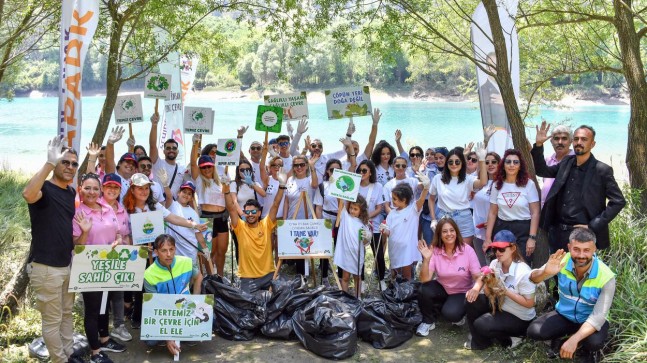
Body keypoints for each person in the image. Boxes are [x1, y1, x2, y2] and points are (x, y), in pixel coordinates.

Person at [23, 136, 81, 363]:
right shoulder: (44, 188)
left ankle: (68, 354)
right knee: (52, 320)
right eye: (64, 162)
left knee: (67, 315)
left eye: (74, 164)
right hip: (45, 268)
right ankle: (60, 360)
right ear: (56, 163)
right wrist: (48, 162)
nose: (70, 167)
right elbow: (28, 194)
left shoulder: (70, 193)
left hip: (66, 264)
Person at [123, 173, 207, 328]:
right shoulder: (125, 209)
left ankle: (156, 320)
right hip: (135, 255)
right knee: (138, 287)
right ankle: (138, 319)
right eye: (140, 188)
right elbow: (123, 233)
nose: (144, 191)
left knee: (153, 285)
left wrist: (194, 225)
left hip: (154, 255)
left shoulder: (154, 206)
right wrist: (136, 245)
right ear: (132, 189)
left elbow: (173, 218)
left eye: (146, 188)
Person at [531, 122, 626, 251]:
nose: (579, 142)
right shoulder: (566, 162)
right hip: (557, 233)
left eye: (584, 139)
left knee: (581, 271)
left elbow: (618, 201)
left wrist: (594, 225)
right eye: (576, 139)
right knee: (557, 270)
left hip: (583, 236)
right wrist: (538, 146)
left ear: (592, 144)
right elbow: (543, 171)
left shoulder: (602, 170)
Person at [526, 228, 615, 363]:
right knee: (534, 331)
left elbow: (598, 317)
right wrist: (545, 272)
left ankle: (584, 348)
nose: (581, 255)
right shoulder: (562, 260)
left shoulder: (606, 276)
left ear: (594, 249)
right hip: (565, 315)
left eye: (586, 250)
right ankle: (562, 338)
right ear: (569, 247)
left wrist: (575, 339)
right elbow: (533, 279)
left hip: (590, 319)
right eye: (576, 249)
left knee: (594, 342)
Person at [73, 173, 127, 363]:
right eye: (87, 188)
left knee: (106, 304)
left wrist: (118, 240)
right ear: (81, 189)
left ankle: (104, 339)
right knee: (93, 309)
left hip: (109, 267)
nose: (92, 192)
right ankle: (95, 352)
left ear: (100, 190)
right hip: (89, 268)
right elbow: (76, 247)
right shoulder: (79, 213)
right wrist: (85, 231)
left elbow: (118, 233)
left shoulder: (107, 208)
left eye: (95, 188)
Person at [464, 230, 536, 350]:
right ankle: (480, 342)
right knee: (471, 299)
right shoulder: (495, 263)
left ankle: (515, 336)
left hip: (520, 317)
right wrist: (476, 288)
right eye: (495, 249)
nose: (497, 252)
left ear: (513, 248)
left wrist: (505, 291)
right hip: (501, 307)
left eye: (502, 249)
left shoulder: (523, 272)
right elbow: (484, 276)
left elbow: (530, 304)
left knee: (481, 325)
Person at [223, 169, 286, 293]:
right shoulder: (240, 227)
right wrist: (226, 188)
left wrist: (282, 186)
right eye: (247, 212)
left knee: (281, 298)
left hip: (269, 275)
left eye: (253, 212)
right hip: (248, 278)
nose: (250, 215)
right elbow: (231, 208)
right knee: (248, 305)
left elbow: (276, 204)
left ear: (259, 213)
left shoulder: (266, 224)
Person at [415, 218, 481, 337]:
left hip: (461, 291)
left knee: (451, 315)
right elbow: (425, 279)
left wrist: (475, 289)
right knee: (423, 289)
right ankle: (428, 321)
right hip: (443, 287)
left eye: (452, 230)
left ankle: (457, 311)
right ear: (439, 234)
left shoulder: (467, 250)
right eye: (444, 231)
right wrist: (426, 259)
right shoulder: (435, 250)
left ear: (456, 232)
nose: (449, 234)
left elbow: (477, 276)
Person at [143, 234, 203, 358]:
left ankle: (184, 333)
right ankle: (177, 336)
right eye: (164, 250)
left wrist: (195, 300)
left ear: (175, 249)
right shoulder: (149, 274)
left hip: (185, 307)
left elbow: (198, 277)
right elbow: (154, 306)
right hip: (163, 312)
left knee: (209, 321)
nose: (168, 254)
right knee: (150, 341)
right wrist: (167, 337)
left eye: (171, 249)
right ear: (156, 252)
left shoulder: (186, 262)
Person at [484, 149, 540, 263]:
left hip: (523, 228)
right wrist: (488, 238)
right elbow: (492, 213)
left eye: (515, 162)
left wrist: (532, 238)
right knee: (502, 263)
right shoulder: (496, 185)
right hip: (502, 227)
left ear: (520, 166)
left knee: (523, 263)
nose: (511, 165)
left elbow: (535, 213)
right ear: (503, 165)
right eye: (508, 162)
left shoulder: (529, 184)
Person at [429, 145, 488, 246]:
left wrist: (482, 159)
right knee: (446, 252)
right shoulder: (438, 178)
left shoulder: (467, 179)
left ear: (462, 163)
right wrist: (433, 219)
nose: (454, 164)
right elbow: (431, 199)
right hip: (444, 218)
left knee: (464, 251)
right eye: (450, 162)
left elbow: (483, 182)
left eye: (457, 161)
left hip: (464, 218)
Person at [99, 173, 133, 344]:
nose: (112, 190)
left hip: (119, 259)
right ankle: (100, 329)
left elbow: (126, 235)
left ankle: (118, 326)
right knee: (100, 297)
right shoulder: (96, 206)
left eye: (115, 187)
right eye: (109, 186)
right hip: (99, 260)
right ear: (102, 188)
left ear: (120, 190)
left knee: (117, 293)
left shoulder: (122, 210)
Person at [379, 172, 430, 281]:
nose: (392, 201)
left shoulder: (413, 210)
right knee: (395, 272)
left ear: (404, 200)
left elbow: (421, 200)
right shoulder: (392, 213)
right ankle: (395, 291)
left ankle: (408, 294)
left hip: (407, 249)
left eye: (395, 199)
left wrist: (426, 188)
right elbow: (389, 231)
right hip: (394, 247)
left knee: (407, 273)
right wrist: (384, 230)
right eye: (392, 198)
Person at [190, 136, 228, 276]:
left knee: (221, 250)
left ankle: (220, 276)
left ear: (213, 166)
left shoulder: (220, 179)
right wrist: (194, 144)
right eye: (203, 167)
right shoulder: (199, 179)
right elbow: (193, 163)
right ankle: (210, 276)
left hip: (222, 217)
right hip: (207, 217)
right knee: (208, 252)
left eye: (209, 167)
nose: (206, 169)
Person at [283, 154, 319, 275]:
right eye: (296, 165)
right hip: (292, 220)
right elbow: (287, 201)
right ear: (293, 167)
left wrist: (312, 166)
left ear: (306, 166)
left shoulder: (310, 179)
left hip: (307, 222)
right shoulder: (289, 180)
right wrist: (284, 221)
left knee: (304, 248)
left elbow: (315, 185)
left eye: (302, 165)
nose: (299, 167)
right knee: (296, 249)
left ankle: (305, 276)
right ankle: (300, 277)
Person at [355, 160, 386, 288]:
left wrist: (366, 217)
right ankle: (361, 281)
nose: (361, 173)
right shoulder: (354, 185)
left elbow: (379, 208)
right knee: (359, 253)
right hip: (357, 225)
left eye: (364, 170)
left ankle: (382, 280)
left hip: (374, 224)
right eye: (359, 170)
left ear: (370, 172)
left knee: (378, 254)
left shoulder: (378, 187)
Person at [333, 196, 372, 297]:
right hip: (346, 253)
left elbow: (365, 242)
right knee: (345, 277)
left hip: (357, 254)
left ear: (361, 210)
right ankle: (345, 297)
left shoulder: (364, 223)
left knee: (357, 277)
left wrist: (367, 237)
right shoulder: (345, 217)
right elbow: (340, 200)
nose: (352, 211)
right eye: (351, 208)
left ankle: (357, 297)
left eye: (355, 209)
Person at [165, 181, 209, 266]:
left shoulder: (194, 213)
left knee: (190, 276)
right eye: (184, 192)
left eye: (189, 194)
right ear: (178, 193)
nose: (186, 195)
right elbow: (169, 196)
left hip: (189, 250)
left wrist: (205, 249)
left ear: (192, 198)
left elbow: (198, 234)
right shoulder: (172, 205)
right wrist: (165, 185)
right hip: (173, 250)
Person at [471, 152, 500, 266]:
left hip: (494, 231)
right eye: (487, 162)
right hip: (477, 232)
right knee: (482, 266)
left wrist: (495, 221)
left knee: (495, 266)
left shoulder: (502, 183)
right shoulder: (479, 183)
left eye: (494, 162)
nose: (490, 165)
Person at [149, 113, 188, 197]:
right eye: (168, 148)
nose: (171, 150)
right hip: (157, 203)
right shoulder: (157, 163)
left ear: (177, 151)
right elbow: (152, 145)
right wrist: (154, 124)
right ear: (163, 151)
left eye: (174, 148)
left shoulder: (182, 169)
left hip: (173, 206)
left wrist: (195, 144)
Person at [540, 124, 574, 208]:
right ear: (551, 141)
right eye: (556, 139)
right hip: (545, 211)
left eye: (564, 138)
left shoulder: (576, 160)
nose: (560, 142)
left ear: (571, 141)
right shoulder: (548, 161)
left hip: (565, 215)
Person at [103, 126, 140, 201]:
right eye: (127, 162)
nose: (130, 165)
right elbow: (109, 160)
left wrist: (131, 147)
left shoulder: (133, 182)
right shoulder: (113, 176)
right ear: (119, 164)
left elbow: (131, 157)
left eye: (133, 164)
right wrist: (110, 143)